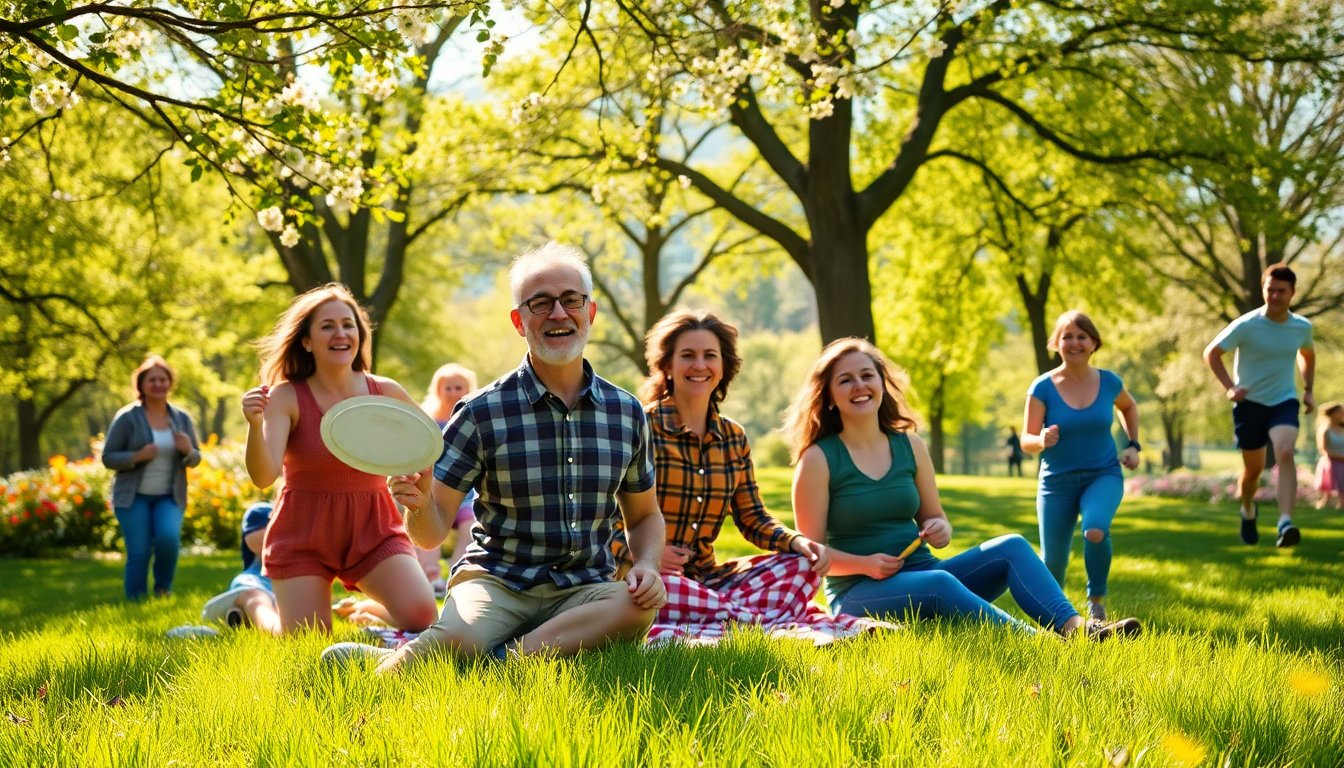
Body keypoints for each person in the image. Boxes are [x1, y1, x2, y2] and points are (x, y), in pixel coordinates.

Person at [322, 242, 667, 669]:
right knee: (462, 639)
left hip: (584, 590)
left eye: (571, 300)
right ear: (519, 321)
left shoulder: (625, 412)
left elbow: (645, 516)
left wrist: (648, 566)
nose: (558, 313)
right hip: (496, 583)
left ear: (590, 312)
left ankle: (499, 663)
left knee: (638, 606)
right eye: (540, 303)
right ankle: (426, 664)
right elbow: (429, 534)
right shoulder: (480, 412)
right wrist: (416, 503)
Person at [786, 338, 1140, 639]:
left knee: (1011, 547)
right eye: (845, 380)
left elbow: (935, 517)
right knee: (938, 582)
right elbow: (813, 556)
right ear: (830, 396)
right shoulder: (818, 459)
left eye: (867, 375)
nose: (859, 386)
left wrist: (941, 529)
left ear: (881, 384)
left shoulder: (910, 446)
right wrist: (866, 564)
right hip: (858, 594)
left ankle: (1078, 630)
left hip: (924, 572)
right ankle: (1036, 644)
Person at [618, 310, 880, 645]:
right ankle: (761, 622)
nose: (700, 365)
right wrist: (642, 555)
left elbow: (753, 519)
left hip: (711, 580)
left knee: (801, 565)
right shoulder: (641, 427)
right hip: (654, 579)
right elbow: (601, 516)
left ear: (723, 366)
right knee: (666, 589)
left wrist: (799, 542)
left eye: (710, 356)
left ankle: (730, 617)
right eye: (688, 356)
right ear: (667, 365)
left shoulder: (733, 437)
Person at [240, 283, 438, 634]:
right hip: (303, 531)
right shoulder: (286, 396)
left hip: (372, 527)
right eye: (327, 326)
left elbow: (429, 449)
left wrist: (415, 480)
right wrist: (255, 425)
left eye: (348, 325)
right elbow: (264, 475)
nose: (341, 333)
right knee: (306, 638)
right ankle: (254, 602)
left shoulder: (385, 392)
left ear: (360, 336)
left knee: (423, 617)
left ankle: (366, 610)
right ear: (307, 340)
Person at [1021, 311, 1140, 624]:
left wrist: (1133, 444)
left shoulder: (1110, 382)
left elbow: (1129, 407)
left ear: (1093, 343)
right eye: (1067, 336)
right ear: (1056, 344)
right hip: (1056, 482)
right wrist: (1041, 439)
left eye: (1081, 336)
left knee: (1095, 529)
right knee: (1053, 563)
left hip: (1103, 474)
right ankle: (1056, 621)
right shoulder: (1042, 387)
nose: (1074, 342)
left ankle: (1096, 603)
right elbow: (1026, 440)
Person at [1203, 263, 1315, 547]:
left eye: (1281, 291)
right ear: (1263, 290)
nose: (1275, 296)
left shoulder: (1301, 327)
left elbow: (1307, 354)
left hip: (1284, 401)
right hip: (1249, 404)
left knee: (1285, 452)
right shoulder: (1246, 324)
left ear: (1292, 293)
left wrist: (1308, 389)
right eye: (1270, 290)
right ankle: (1248, 509)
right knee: (1252, 472)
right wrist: (1230, 387)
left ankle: (1285, 522)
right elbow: (1212, 353)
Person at [101, 355, 201, 601]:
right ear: (141, 385)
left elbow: (196, 458)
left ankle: (162, 589)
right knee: (140, 551)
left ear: (170, 382)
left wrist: (189, 450)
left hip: (170, 496)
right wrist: (137, 456)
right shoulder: (128, 417)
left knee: (168, 540)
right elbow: (108, 457)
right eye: (152, 379)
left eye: (163, 379)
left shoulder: (181, 418)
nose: (158, 384)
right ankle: (135, 601)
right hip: (133, 497)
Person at [416, 363, 482, 594]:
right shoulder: (429, 423)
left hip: (465, 496)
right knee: (429, 527)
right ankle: (430, 575)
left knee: (470, 526)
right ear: (438, 391)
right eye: (449, 388)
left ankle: (456, 574)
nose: (454, 393)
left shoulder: (474, 419)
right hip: (434, 493)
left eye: (459, 388)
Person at [200, 501, 282, 634]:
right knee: (254, 598)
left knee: (257, 601)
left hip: (282, 591)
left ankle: (237, 617)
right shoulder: (249, 579)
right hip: (257, 588)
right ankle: (275, 629)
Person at [1314, 403, 1344, 510]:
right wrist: (1340, 457)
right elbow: (1324, 449)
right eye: (1339, 412)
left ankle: (1341, 505)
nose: (1342, 414)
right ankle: (1323, 506)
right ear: (1332, 414)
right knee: (1328, 493)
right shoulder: (1325, 430)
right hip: (1331, 463)